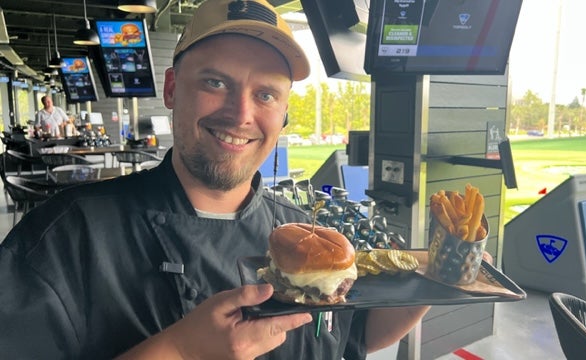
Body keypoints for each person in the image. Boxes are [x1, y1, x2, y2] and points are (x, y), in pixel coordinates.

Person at [0, 0, 429, 358]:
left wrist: (434, 285)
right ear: (171, 89)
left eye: (265, 94)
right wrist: (180, 351)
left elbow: (349, 339)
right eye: (215, 81)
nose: (241, 114)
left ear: (283, 114)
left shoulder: (306, 240)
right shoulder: (61, 240)